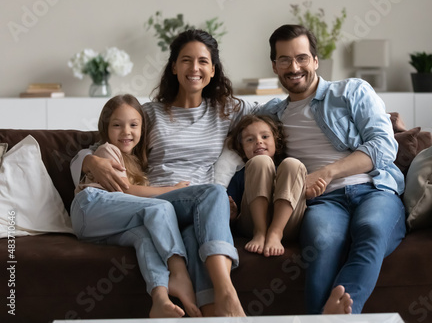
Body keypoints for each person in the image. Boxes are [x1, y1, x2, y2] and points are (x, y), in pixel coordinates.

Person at [70, 29, 256, 317]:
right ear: (173, 66)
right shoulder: (150, 114)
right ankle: (228, 293)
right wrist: (90, 162)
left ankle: (211, 313)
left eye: (203, 62)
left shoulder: (227, 111)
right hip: (157, 201)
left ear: (213, 69)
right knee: (214, 192)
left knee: (196, 237)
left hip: (199, 209)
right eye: (186, 60)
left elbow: (273, 118)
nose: (194, 68)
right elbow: (104, 146)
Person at [258, 24, 406, 315]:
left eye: (301, 57)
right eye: (284, 59)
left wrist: (326, 173)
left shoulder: (351, 91)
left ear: (315, 60)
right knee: (322, 243)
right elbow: (229, 126)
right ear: (274, 66)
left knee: (372, 228)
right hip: (323, 202)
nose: (294, 66)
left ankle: (328, 319)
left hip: (373, 189)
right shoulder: (270, 114)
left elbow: (383, 146)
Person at [71, 94, 199, 318]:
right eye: (117, 125)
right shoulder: (107, 152)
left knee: (145, 237)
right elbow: (126, 190)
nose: (126, 132)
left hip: (98, 227)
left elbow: (130, 195)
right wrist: (173, 189)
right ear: (106, 128)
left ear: (143, 128)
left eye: (133, 125)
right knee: (160, 208)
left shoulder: (138, 164)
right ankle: (180, 273)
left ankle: (160, 299)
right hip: (90, 205)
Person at [225, 114, 326, 257]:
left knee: (293, 164)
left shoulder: (289, 170)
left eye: (265, 137)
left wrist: (308, 195)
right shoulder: (242, 174)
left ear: (276, 142)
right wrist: (232, 215)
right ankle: (260, 232)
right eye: (250, 139)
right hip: (251, 224)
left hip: (287, 225)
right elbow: (230, 206)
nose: (258, 142)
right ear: (242, 149)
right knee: (260, 162)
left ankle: (275, 232)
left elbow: (308, 204)